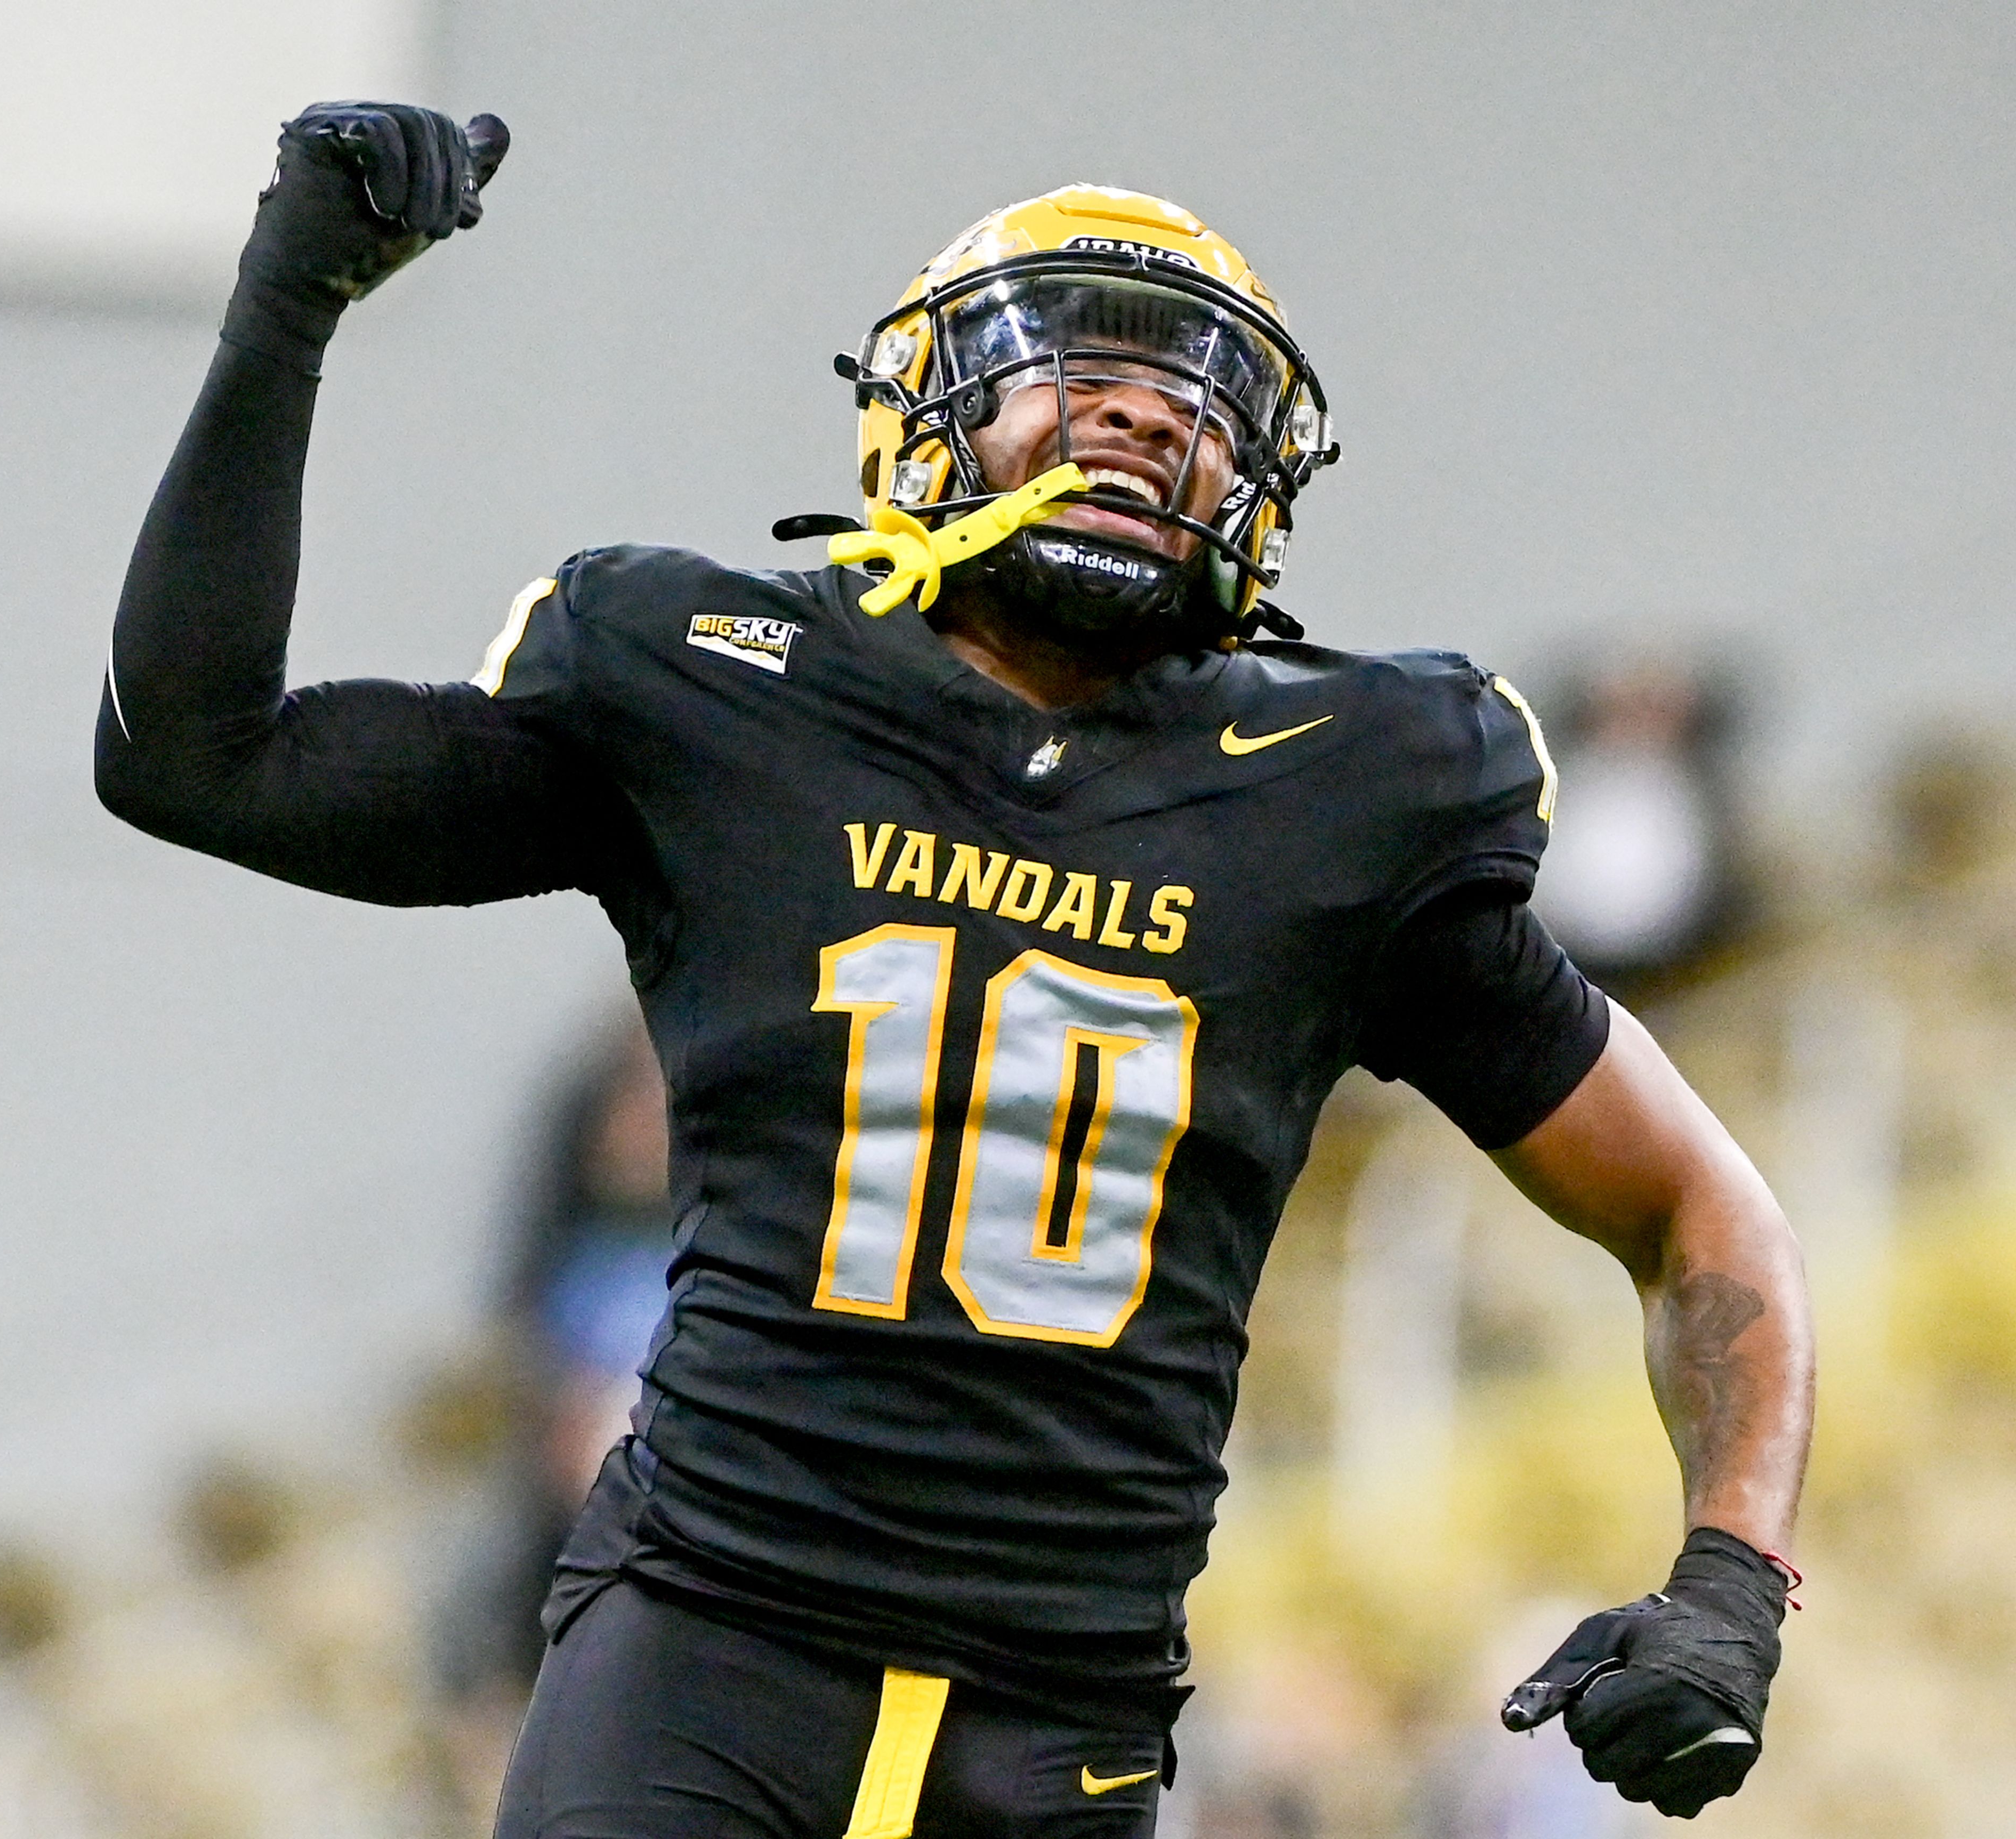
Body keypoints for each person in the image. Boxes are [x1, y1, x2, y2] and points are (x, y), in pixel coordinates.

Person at [96, 103, 1815, 1837]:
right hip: (707, 1646)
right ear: (924, 418)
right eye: (1087, 369)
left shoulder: (1344, 798)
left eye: (1205, 404)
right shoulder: (727, 696)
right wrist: (287, 305)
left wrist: (1733, 1579)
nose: (1151, 414)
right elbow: (193, 754)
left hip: (1061, 1711)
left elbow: (1698, 1209)